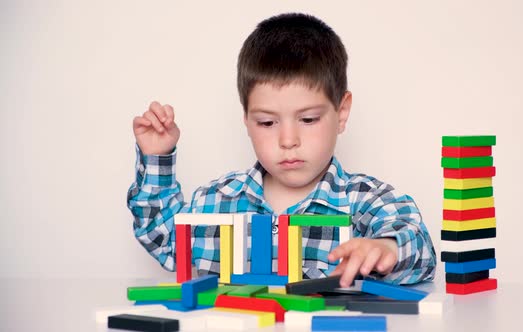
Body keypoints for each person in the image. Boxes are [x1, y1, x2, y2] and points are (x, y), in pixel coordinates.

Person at [127, 12, 436, 287]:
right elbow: (163, 238)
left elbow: (420, 250)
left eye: (309, 119)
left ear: (341, 113)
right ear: (246, 119)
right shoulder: (217, 201)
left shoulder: (366, 201)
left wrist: (387, 248)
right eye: (266, 122)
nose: (288, 140)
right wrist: (157, 158)